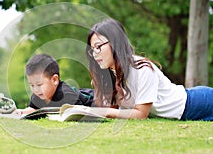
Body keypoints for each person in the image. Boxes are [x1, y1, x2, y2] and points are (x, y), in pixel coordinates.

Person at [85, 18, 213, 121]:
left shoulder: (142, 68)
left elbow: (141, 114)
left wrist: (107, 112)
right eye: (92, 49)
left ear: (115, 43)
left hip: (198, 104)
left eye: (98, 46)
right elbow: (112, 108)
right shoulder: (110, 74)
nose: (95, 53)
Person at [15, 54, 93, 115]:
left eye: (39, 85)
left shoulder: (66, 94)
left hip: (93, 99)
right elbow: (34, 109)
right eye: (32, 85)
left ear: (54, 80)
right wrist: (22, 112)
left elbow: (82, 111)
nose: (35, 89)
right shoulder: (38, 95)